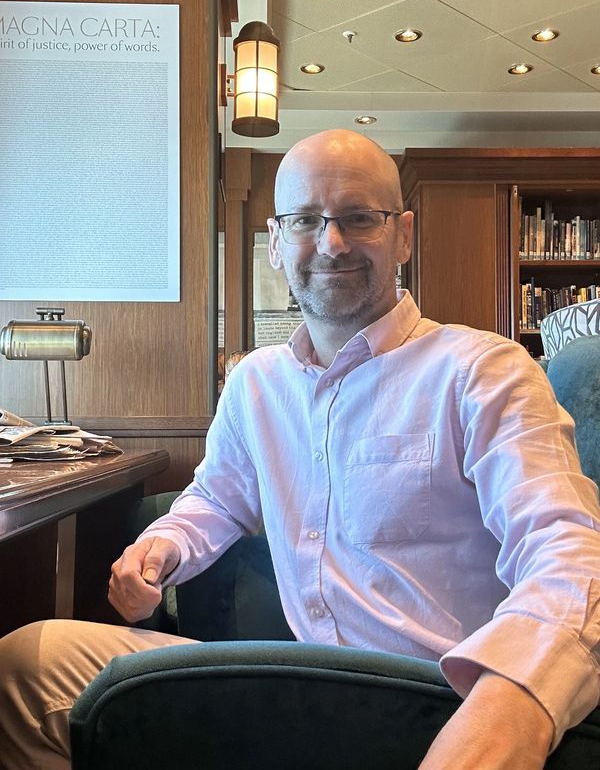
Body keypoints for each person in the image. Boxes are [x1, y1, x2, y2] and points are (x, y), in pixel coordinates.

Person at [1, 129, 599, 770]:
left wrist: (511, 705)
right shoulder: (256, 382)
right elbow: (218, 498)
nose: (332, 242)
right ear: (277, 243)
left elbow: (570, 551)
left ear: (403, 234)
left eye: (359, 218)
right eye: (307, 220)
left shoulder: (483, 370)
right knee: (28, 664)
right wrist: (166, 546)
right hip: (294, 682)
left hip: (441, 700)